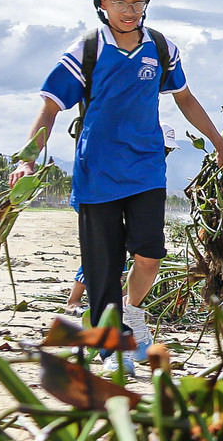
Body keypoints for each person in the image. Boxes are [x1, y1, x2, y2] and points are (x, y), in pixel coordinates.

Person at [11, 0, 223, 376]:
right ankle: (108, 343)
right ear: (102, 2)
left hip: (147, 167)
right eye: (120, 1)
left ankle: (131, 314)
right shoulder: (86, 50)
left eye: (138, 1)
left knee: (149, 254)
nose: (130, 10)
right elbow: (49, 109)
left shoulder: (162, 48)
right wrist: (28, 159)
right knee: (105, 264)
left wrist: (221, 143)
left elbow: (185, 98)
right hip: (97, 170)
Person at [63, 124, 177, 316]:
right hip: (95, 196)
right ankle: (74, 300)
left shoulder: (152, 163)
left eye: (169, 150)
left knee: (119, 254)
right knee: (107, 251)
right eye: (164, 148)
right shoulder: (129, 153)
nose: (166, 152)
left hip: (108, 197)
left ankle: (120, 305)